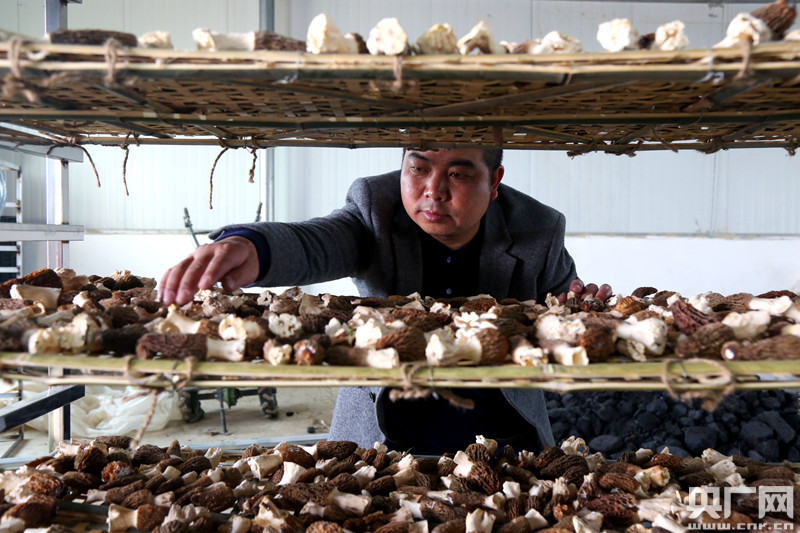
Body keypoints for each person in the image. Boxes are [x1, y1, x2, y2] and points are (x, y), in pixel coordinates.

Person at [160, 147, 611, 453]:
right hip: (384, 434)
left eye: (458, 173)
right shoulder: (374, 206)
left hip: (502, 435)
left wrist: (580, 304)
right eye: (418, 168)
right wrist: (252, 246)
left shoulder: (539, 227)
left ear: (494, 183)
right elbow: (318, 241)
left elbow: (562, 298)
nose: (433, 190)